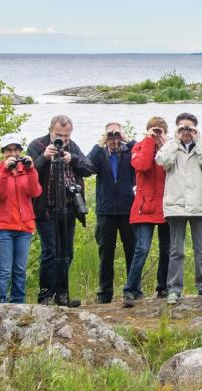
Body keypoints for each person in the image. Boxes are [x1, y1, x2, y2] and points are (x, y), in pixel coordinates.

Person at [29, 115, 94, 308]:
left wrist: (71, 159)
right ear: (50, 131)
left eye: (66, 135)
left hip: (68, 207)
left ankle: (62, 294)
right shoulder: (37, 145)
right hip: (46, 208)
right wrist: (44, 158)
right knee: (50, 251)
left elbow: (89, 168)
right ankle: (46, 295)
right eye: (59, 135)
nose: (62, 139)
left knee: (66, 253)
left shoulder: (72, 147)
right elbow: (28, 171)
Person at [156, 112, 202, 304]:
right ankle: (174, 289)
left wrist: (198, 139)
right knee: (176, 251)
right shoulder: (171, 146)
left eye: (189, 128)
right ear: (176, 129)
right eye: (182, 127)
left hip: (198, 205)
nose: (186, 131)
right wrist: (174, 140)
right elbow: (163, 162)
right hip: (177, 205)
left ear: (195, 129)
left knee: (201, 249)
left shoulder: (200, 147)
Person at [123, 117, 171, 307]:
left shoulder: (169, 148)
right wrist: (150, 142)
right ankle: (130, 289)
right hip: (145, 207)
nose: (156, 133)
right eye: (153, 129)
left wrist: (165, 145)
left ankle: (163, 287)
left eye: (159, 130)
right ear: (147, 130)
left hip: (166, 206)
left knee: (167, 250)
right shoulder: (139, 148)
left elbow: (172, 167)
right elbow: (142, 166)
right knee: (142, 249)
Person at [0, 134, 41, 304]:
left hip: (24, 227)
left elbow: (35, 192)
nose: (13, 153)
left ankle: (19, 304)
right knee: (4, 271)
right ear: (3, 152)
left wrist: (31, 169)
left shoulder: (27, 171)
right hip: (2, 227)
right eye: (9, 150)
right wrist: (5, 170)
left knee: (20, 270)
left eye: (16, 150)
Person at [87, 122, 136, 304]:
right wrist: (101, 143)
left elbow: (142, 155)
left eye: (116, 134)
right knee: (106, 251)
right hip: (106, 209)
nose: (114, 138)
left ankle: (132, 289)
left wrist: (127, 140)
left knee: (131, 248)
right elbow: (87, 167)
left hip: (127, 208)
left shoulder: (128, 152)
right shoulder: (100, 154)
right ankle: (105, 291)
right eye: (111, 135)